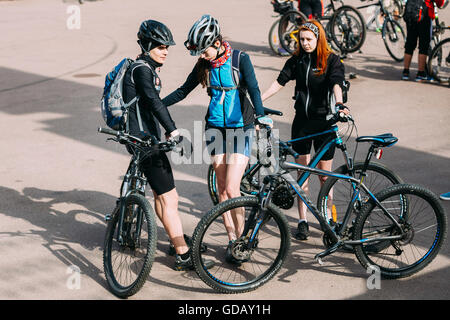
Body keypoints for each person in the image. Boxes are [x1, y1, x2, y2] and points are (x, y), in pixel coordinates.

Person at [162, 14, 272, 263]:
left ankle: (244, 241)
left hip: (240, 127)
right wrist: (156, 104)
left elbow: (253, 89)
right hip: (214, 129)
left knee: (233, 188)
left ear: (217, 42)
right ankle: (232, 241)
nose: (202, 56)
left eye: (204, 51)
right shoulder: (204, 64)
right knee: (221, 190)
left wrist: (261, 116)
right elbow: (182, 91)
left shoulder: (240, 59)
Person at [122, 19, 212, 271]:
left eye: (167, 48)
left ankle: (177, 240)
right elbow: (153, 101)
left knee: (161, 196)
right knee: (170, 197)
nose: (165, 52)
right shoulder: (142, 70)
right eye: (160, 47)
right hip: (145, 141)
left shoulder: (142, 67)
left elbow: (153, 102)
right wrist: (173, 130)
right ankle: (183, 252)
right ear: (147, 45)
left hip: (140, 137)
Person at [262, 20, 348, 240]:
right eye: (302, 40)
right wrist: (258, 99)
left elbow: (337, 83)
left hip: (324, 123)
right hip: (302, 123)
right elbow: (279, 82)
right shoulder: (297, 60)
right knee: (303, 175)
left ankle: (330, 217)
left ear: (319, 39)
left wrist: (339, 104)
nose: (305, 43)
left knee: (324, 176)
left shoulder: (331, 60)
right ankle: (303, 220)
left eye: (309, 39)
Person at [402, 0, 445, 81]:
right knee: (423, 45)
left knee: (410, 43)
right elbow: (440, 2)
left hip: (411, 12)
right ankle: (420, 73)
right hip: (425, 13)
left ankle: (405, 72)